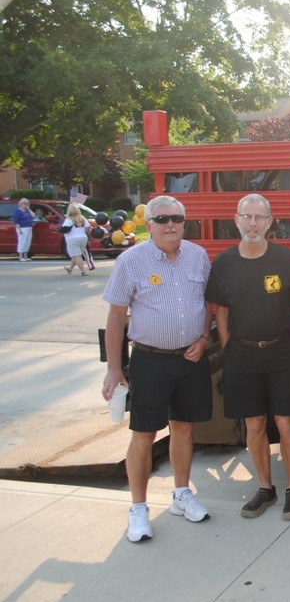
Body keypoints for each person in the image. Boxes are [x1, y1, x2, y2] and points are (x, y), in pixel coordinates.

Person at [100, 195, 214, 543]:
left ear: (184, 222)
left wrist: (205, 338)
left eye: (177, 218)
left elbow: (207, 303)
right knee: (144, 434)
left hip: (190, 359)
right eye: (162, 219)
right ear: (148, 224)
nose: (170, 225)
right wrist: (115, 369)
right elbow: (116, 319)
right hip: (149, 361)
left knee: (183, 428)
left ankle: (181, 494)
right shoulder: (130, 261)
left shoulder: (198, 256)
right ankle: (138, 508)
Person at [206, 193, 290, 521]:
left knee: (286, 422)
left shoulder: (287, 260)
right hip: (242, 354)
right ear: (236, 220)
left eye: (259, 217)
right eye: (247, 217)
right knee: (254, 423)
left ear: (269, 222)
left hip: (284, 351)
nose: (253, 224)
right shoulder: (224, 263)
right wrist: (229, 349)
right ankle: (265, 488)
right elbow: (221, 311)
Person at [61, 203, 90, 275]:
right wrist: (83, 231)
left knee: (76, 256)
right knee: (77, 255)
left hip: (72, 239)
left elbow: (65, 228)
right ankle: (70, 269)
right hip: (83, 238)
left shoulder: (69, 219)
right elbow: (88, 227)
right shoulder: (82, 217)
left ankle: (83, 271)